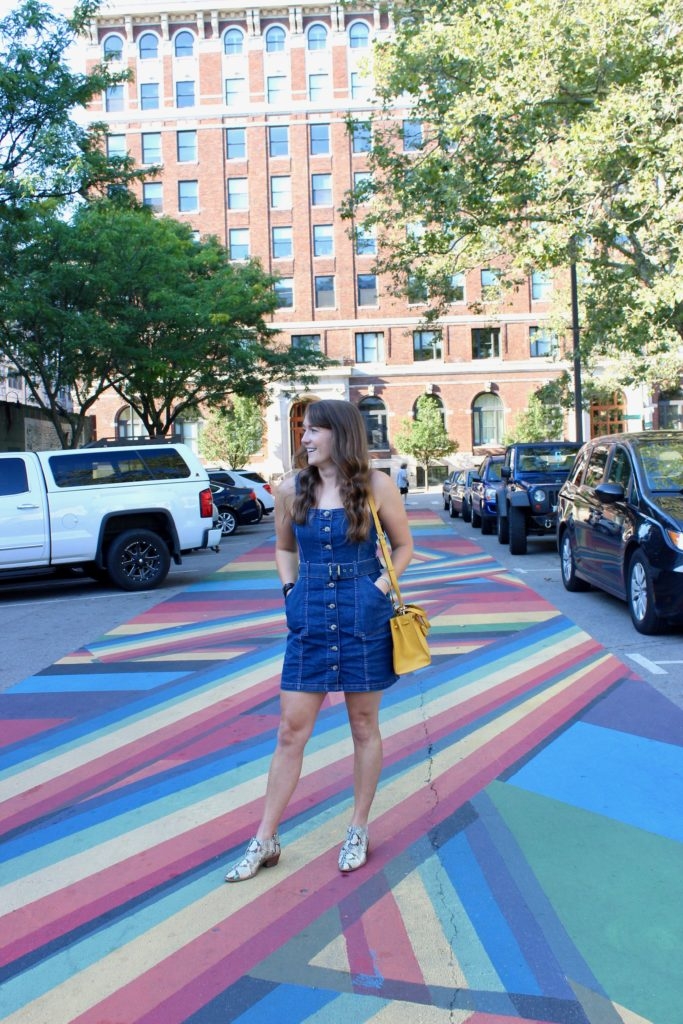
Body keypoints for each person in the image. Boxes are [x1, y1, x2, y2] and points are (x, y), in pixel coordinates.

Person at [225, 400, 414, 882]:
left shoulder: (375, 485)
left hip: (363, 615)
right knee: (291, 730)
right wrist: (290, 593)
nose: (304, 439)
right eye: (302, 431)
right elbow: (284, 548)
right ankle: (265, 838)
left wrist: (377, 592)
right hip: (308, 614)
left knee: (364, 726)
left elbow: (404, 545)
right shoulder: (291, 488)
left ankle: (357, 827)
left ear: (340, 434)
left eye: (312, 431)